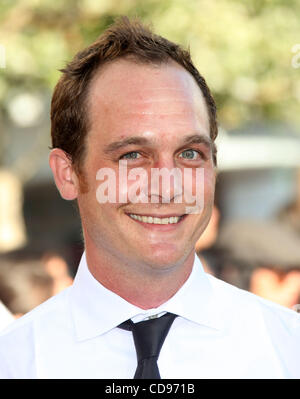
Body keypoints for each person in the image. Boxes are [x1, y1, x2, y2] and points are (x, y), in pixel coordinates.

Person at [0, 17, 299, 379]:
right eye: (132, 155)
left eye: (189, 153)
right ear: (68, 174)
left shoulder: (286, 351)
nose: (167, 185)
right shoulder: (14, 362)